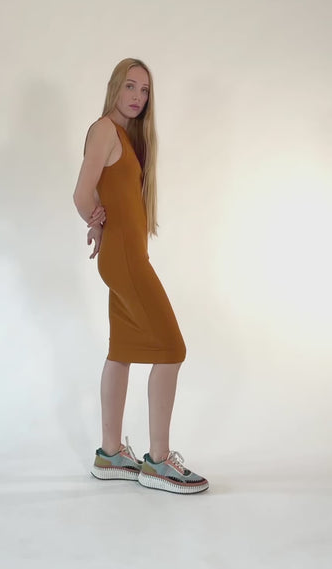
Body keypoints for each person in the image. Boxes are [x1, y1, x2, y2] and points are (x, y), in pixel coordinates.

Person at [73, 58, 208, 494]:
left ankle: (110, 454)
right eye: (130, 86)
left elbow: (111, 193)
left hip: (126, 257)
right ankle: (159, 462)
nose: (137, 96)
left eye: (145, 90)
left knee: (122, 351)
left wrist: (101, 222)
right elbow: (81, 192)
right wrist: (95, 221)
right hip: (126, 261)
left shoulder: (127, 137)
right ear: (115, 86)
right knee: (171, 348)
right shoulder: (104, 130)